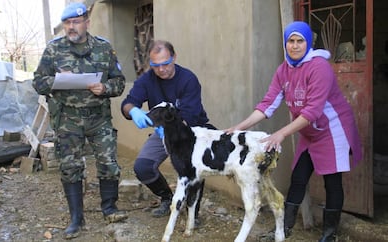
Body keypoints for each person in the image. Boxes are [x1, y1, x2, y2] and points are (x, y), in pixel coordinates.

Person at [225, 21, 362, 242]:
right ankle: (284, 230)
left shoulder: (319, 67)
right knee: (298, 178)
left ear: (308, 43)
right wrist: (238, 127)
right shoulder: (284, 69)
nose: (295, 46)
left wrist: (281, 134)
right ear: (285, 43)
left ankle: (329, 235)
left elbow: (313, 111)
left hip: (332, 129)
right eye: (291, 41)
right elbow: (268, 104)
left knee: (332, 182)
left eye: (300, 41)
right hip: (309, 132)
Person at [32, 2, 127, 239]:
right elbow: (38, 82)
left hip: (99, 118)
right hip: (68, 120)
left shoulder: (104, 49)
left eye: (75, 22)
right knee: (70, 166)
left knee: (108, 163)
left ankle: (109, 208)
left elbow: (119, 83)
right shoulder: (53, 50)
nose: (71, 27)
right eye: (67, 23)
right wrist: (56, 80)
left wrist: (104, 87)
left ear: (87, 22)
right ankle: (77, 218)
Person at [121, 40, 214, 218]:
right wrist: (133, 111)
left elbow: (190, 116)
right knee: (143, 167)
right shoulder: (147, 80)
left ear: (174, 58)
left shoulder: (188, 79)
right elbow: (128, 102)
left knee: (193, 168)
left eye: (165, 64)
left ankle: (192, 212)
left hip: (191, 131)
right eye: (155, 65)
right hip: (163, 132)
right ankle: (166, 198)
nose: (161, 69)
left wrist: (170, 129)